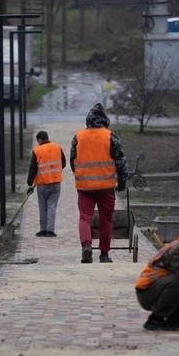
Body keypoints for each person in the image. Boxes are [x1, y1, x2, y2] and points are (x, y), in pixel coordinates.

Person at [71, 103, 128, 263]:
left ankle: (86, 246)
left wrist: (81, 175)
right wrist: (122, 182)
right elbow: (121, 162)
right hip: (106, 187)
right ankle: (104, 254)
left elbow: (72, 160)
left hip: (84, 187)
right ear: (105, 120)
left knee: (84, 218)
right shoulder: (110, 136)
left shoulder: (78, 136)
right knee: (106, 219)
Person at [27, 131, 66, 237]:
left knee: (43, 207)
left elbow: (33, 169)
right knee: (52, 206)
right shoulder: (57, 147)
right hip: (56, 183)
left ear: (39, 139)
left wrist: (29, 184)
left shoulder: (37, 150)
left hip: (42, 184)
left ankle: (43, 230)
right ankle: (50, 231)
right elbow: (63, 164)